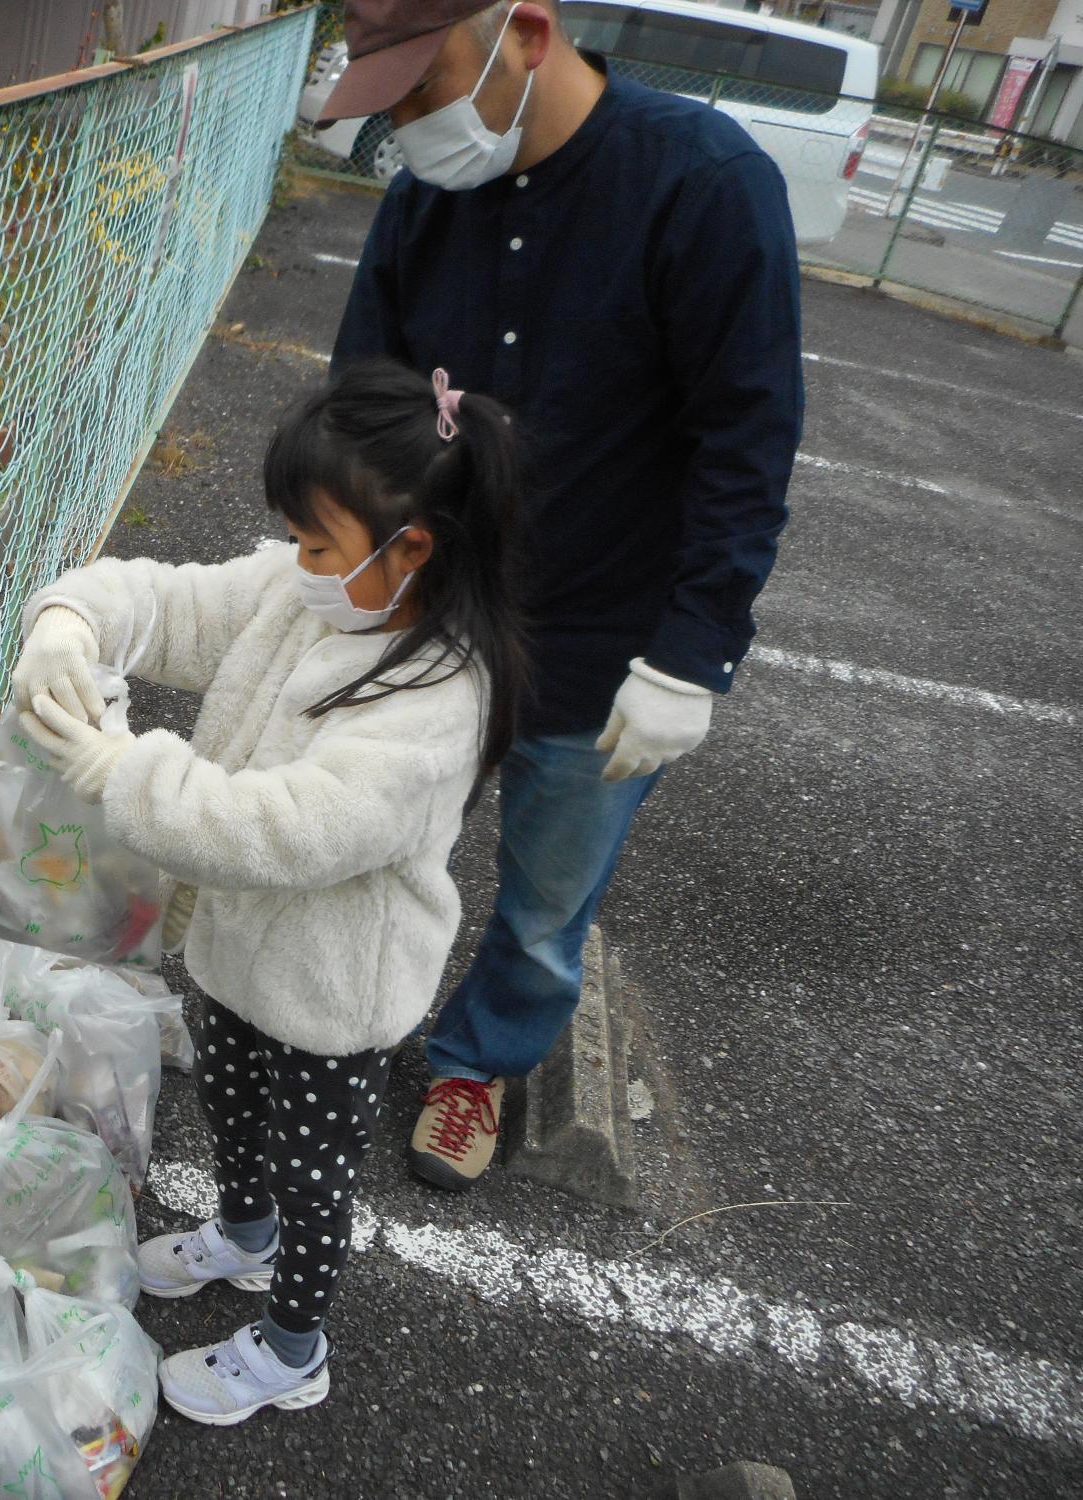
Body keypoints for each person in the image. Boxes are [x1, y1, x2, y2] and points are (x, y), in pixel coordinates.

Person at [318, 0, 805, 1189]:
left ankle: (475, 1064)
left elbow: (744, 438)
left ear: (523, 32)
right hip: (432, 608)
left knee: (544, 898)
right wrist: (341, 554)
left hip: (599, 633)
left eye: (420, 91)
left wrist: (692, 652)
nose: (404, 128)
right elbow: (359, 395)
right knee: (364, 836)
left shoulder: (699, 184)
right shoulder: (423, 201)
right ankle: (330, 1017)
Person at [8, 360, 528, 1424]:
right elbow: (168, 599)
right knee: (231, 1107)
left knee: (313, 1169)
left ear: (412, 548)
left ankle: (293, 1341)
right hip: (240, 948)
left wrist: (118, 771)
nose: (296, 562)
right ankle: (241, 1237)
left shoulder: (436, 702)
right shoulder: (311, 593)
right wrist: (69, 619)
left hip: (332, 990)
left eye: (316, 541)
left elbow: (286, 831)